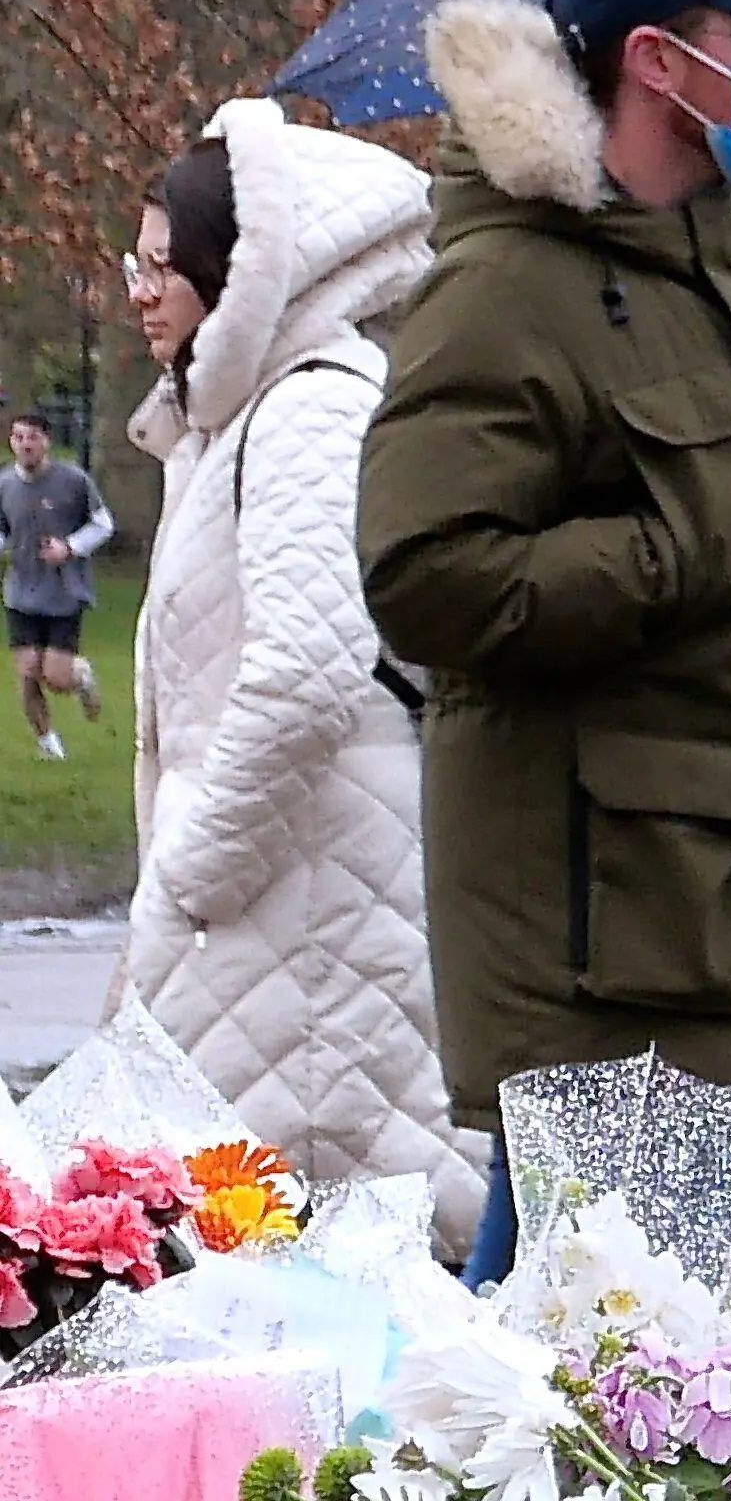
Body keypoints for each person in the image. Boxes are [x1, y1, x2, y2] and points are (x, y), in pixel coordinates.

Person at [357, 0, 731, 1285]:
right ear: (655, 61)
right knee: (688, 1344)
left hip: (706, 914)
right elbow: (424, 573)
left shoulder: (716, 266)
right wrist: (679, 554)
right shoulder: (508, 286)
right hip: (594, 940)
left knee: (603, 1346)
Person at [120, 103, 482, 1253]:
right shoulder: (234, 420)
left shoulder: (309, 407)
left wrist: (193, 873)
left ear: (235, 273)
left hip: (305, 907)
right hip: (272, 908)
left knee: (313, 1244)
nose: (141, 294)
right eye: (134, 266)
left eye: (163, 268)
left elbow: (309, 670)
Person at [1, 411, 110, 757]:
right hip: (21, 592)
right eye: (18, 437)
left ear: (46, 441)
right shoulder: (4, 483)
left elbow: (103, 524)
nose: (25, 444)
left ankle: (80, 676)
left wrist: (70, 547)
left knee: (56, 677)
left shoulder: (74, 481)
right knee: (27, 671)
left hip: (64, 591)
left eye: (32, 437)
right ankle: (49, 745)